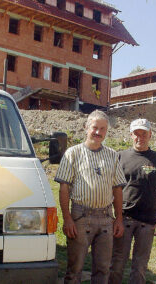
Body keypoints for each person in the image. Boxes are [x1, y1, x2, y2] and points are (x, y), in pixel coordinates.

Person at [54, 110, 126, 284]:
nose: (98, 132)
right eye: (95, 127)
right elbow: (64, 188)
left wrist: (119, 219)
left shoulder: (112, 155)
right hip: (81, 217)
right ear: (86, 127)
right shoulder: (73, 153)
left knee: (103, 270)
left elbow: (117, 189)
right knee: (75, 269)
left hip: (106, 218)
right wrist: (68, 219)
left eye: (102, 129)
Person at [109, 119, 156, 284]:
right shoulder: (120, 157)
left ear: (150, 134)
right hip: (124, 219)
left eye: (144, 133)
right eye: (136, 133)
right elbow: (111, 188)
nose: (140, 137)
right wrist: (114, 218)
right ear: (131, 135)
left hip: (147, 223)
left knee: (140, 266)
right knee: (117, 263)